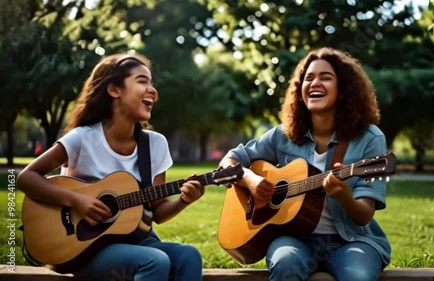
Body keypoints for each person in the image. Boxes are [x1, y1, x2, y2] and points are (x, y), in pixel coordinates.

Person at [17, 53, 205, 281]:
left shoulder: (155, 144)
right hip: (84, 248)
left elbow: (156, 212)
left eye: (152, 83)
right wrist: (78, 201)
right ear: (114, 90)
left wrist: (183, 201)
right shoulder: (82, 139)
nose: (153, 90)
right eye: (142, 81)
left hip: (138, 240)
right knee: (156, 261)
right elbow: (27, 178)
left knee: (189, 256)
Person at [218, 47, 391, 281]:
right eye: (308, 78)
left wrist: (343, 197)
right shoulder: (283, 135)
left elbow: (363, 216)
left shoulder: (370, 138)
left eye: (326, 77)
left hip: (351, 241)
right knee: (284, 264)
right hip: (293, 239)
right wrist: (251, 179)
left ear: (343, 90)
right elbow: (229, 161)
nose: (315, 83)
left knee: (358, 277)